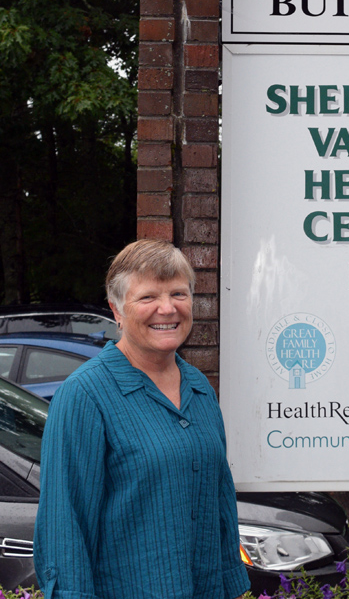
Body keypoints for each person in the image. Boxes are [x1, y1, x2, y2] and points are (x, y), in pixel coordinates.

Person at [34, 239, 249, 599]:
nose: (167, 308)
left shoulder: (198, 387)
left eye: (178, 293)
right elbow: (64, 527)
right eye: (148, 297)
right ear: (116, 310)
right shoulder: (85, 395)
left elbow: (220, 502)